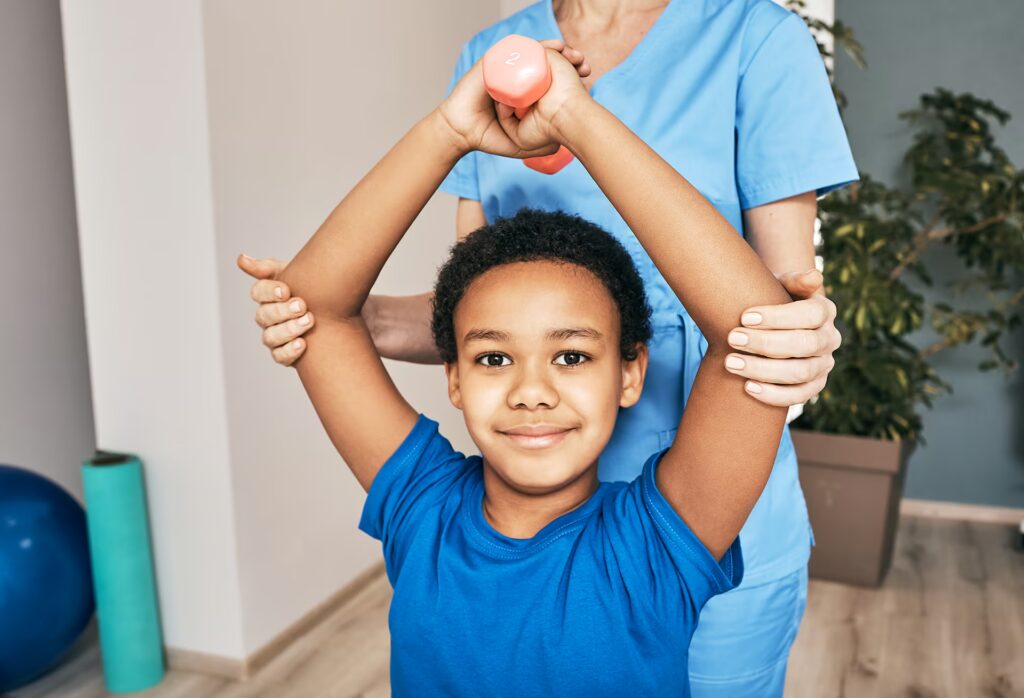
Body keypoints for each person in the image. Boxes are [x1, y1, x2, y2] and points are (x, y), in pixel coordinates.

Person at [239, 1, 858, 693]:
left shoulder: (654, 551)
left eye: (571, 355)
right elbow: (443, 301)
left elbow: (759, 332)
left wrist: (578, 120)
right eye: (494, 359)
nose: (531, 388)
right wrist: (449, 129)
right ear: (456, 373)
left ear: (630, 371)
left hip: (710, 498)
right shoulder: (428, 518)